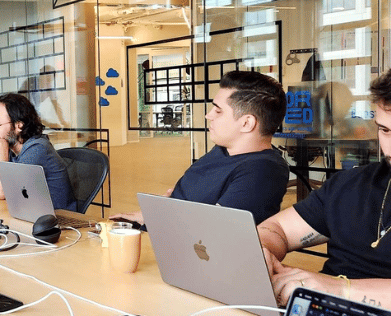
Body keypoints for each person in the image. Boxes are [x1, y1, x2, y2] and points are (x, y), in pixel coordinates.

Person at [257, 53, 391, 315]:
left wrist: (341, 291)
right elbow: (278, 228)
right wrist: (262, 249)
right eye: (384, 130)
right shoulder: (353, 185)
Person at [114, 69, 289, 226]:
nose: (208, 115)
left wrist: (163, 214)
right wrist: (164, 208)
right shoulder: (222, 150)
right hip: (164, 229)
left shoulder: (262, 171)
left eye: (218, 111)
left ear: (247, 123)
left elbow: (212, 233)